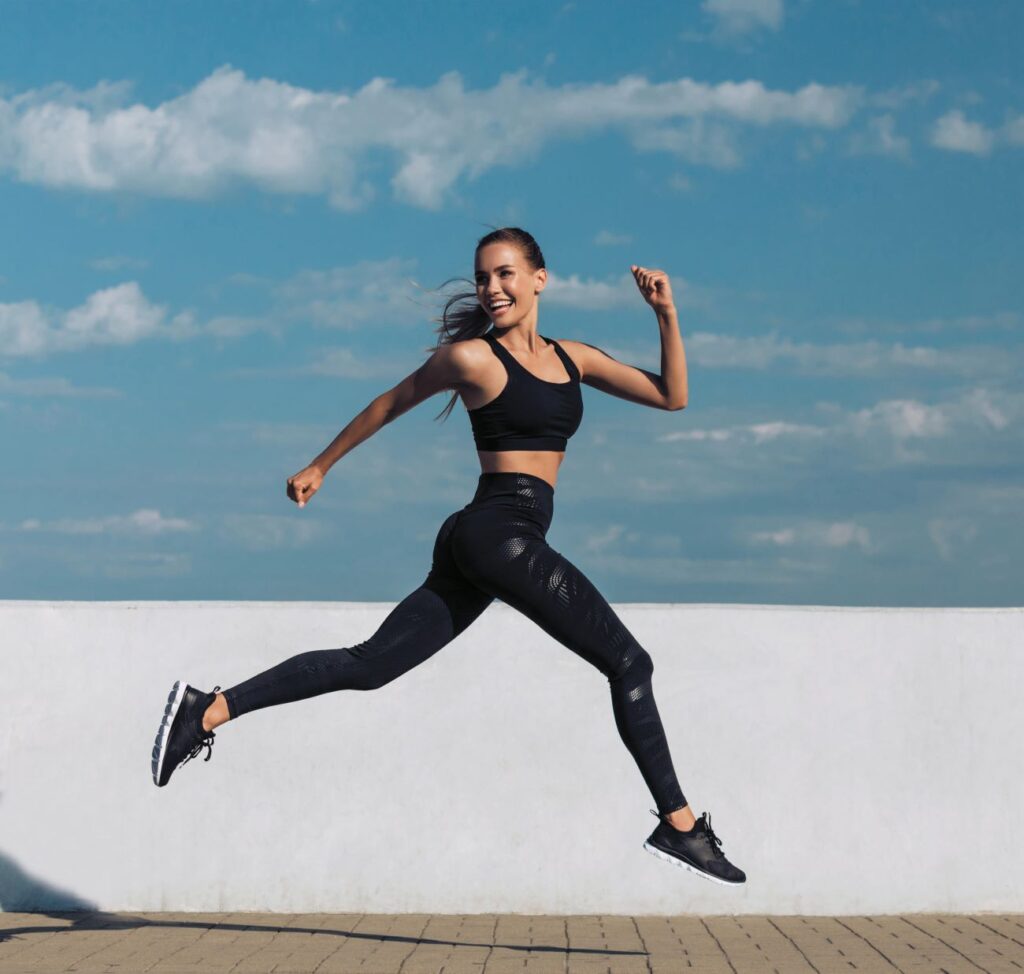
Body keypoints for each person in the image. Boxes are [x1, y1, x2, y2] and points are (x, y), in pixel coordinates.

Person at [150, 227, 745, 885]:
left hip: (491, 539)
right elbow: (391, 401)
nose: (492, 288)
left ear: (540, 278)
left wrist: (665, 314)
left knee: (372, 666)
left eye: (506, 274)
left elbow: (672, 395)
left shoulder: (574, 357)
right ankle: (680, 824)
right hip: (499, 534)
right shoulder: (472, 361)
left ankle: (206, 710)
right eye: (484, 277)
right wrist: (321, 464)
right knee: (629, 662)